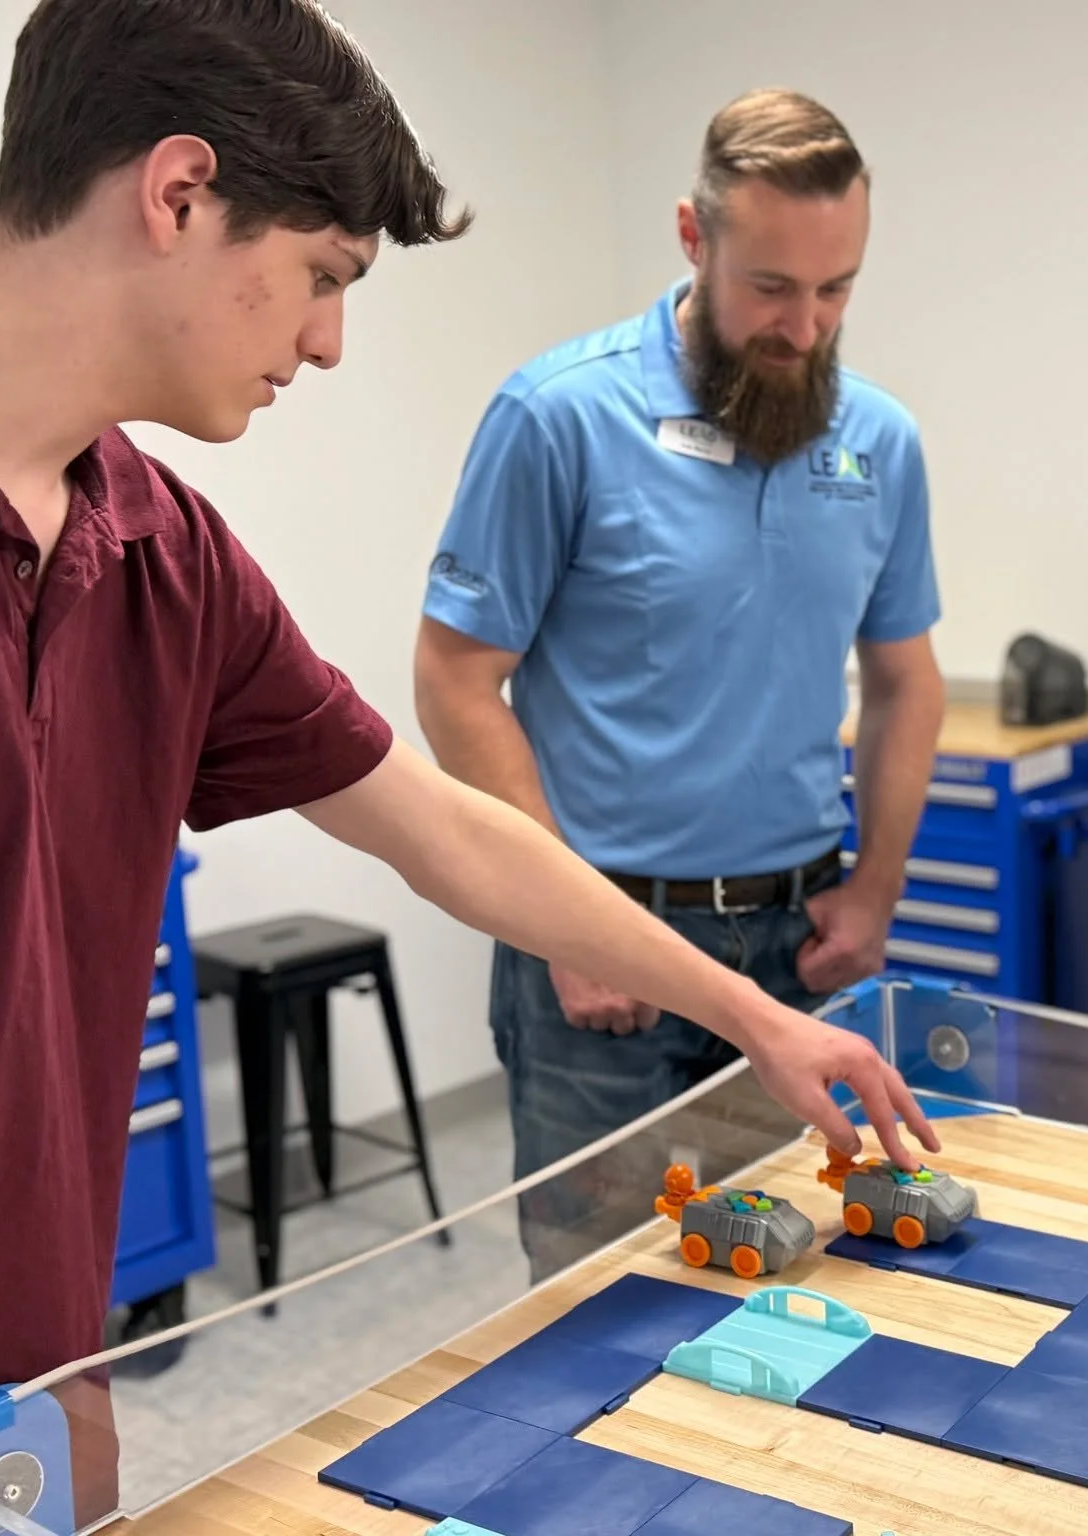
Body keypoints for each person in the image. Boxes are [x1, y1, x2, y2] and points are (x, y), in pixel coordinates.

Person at [0, 8, 938, 1531]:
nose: (329, 343)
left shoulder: (170, 554)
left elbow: (438, 830)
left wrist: (754, 1019)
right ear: (177, 196)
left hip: (12, 1393)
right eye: (323, 279)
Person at [413, 88, 946, 1279]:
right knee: (597, 1310)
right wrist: (559, 916)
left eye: (836, 289)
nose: (803, 327)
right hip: (602, 949)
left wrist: (875, 887)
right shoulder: (558, 416)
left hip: (792, 943)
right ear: (692, 240)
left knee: (785, 1283)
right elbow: (454, 680)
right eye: (770, 287)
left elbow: (906, 680)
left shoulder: (879, 442)